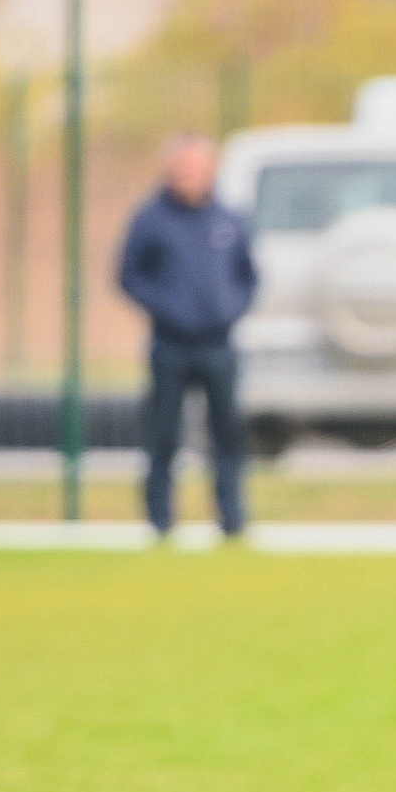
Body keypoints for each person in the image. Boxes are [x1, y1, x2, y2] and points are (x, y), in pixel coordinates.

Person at [117, 134, 257, 539]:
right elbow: (128, 275)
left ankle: (232, 518)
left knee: (227, 432)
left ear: (210, 170)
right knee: (162, 432)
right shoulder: (150, 219)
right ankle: (160, 519)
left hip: (218, 343)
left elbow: (249, 277)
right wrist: (166, 309)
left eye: (193, 168)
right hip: (169, 344)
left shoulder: (229, 219)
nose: (185, 177)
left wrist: (230, 309)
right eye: (178, 169)